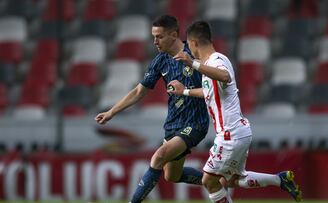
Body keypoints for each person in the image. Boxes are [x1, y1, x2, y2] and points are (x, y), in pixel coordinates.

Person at [169, 21, 302, 202]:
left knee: (209, 181)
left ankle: (279, 180)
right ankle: (280, 179)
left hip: (230, 134)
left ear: (194, 43)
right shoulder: (210, 65)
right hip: (237, 132)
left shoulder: (217, 60)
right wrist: (184, 91)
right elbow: (209, 91)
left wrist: (192, 63)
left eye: (188, 44)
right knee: (232, 180)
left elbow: (225, 76)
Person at [95, 15, 209, 203]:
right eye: (153, 37)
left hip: (196, 123)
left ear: (173, 35)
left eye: (159, 36)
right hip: (173, 124)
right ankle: (215, 180)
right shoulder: (160, 61)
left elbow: (215, 81)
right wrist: (111, 112)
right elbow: (139, 91)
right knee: (171, 175)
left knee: (158, 157)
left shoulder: (194, 51)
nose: (155, 41)